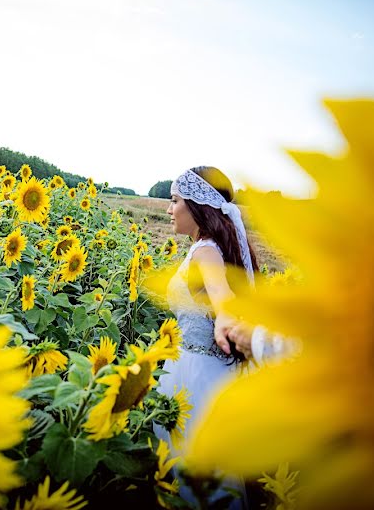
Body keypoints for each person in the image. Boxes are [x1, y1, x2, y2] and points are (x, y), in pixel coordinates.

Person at [154, 165, 259, 510]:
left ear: (198, 205)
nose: (169, 210)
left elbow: (222, 295)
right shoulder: (206, 248)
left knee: (193, 475)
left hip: (195, 375)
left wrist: (225, 318)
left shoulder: (205, 252)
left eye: (174, 201)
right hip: (200, 369)